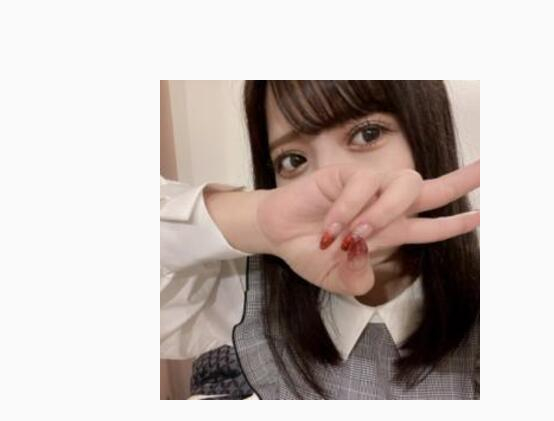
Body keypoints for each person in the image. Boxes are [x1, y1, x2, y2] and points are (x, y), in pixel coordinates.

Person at [161, 80, 480, 399]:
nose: (333, 187)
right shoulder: (244, 289)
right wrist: (258, 218)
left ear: (424, 132)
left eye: (368, 134)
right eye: (293, 160)